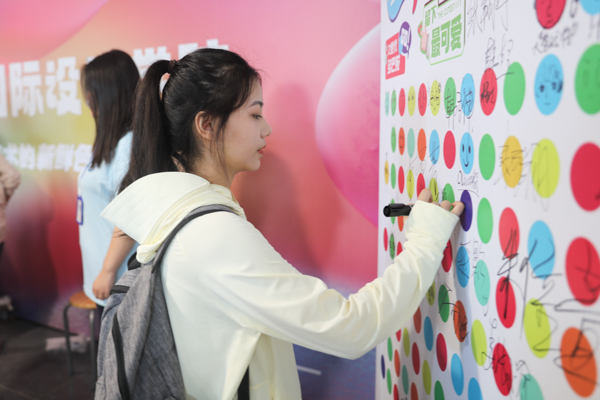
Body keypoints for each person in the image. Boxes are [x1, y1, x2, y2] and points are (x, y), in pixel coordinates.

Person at [101, 48, 464, 399]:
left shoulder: (180, 218)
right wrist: (425, 239)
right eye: (255, 115)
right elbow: (353, 327)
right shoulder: (212, 235)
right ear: (207, 125)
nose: (267, 129)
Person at [77, 50, 139, 310]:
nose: (87, 99)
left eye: (91, 92)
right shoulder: (112, 141)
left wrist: (108, 270)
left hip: (119, 278)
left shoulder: (128, 146)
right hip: (105, 275)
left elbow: (130, 216)